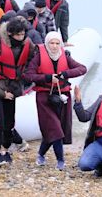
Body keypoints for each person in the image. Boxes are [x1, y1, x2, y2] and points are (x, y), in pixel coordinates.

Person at [0, 18, 37, 166]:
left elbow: (37, 56)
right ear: (10, 34)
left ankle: (6, 150)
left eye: (23, 34)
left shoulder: (27, 44)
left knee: (9, 123)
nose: (21, 37)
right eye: (18, 35)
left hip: (13, 87)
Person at [23, 31, 86, 170]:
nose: (54, 46)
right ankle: (60, 160)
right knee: (55, 129)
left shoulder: (66, 56)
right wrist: (47, 78)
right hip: (45, 96)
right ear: (46, 44)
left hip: (63, 96)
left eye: (57, 43)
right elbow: (28, 76)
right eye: (51, 43)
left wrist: (65, 74)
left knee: (55, 129)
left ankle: (40, 154)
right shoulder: (38, 56)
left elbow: (82, 69)